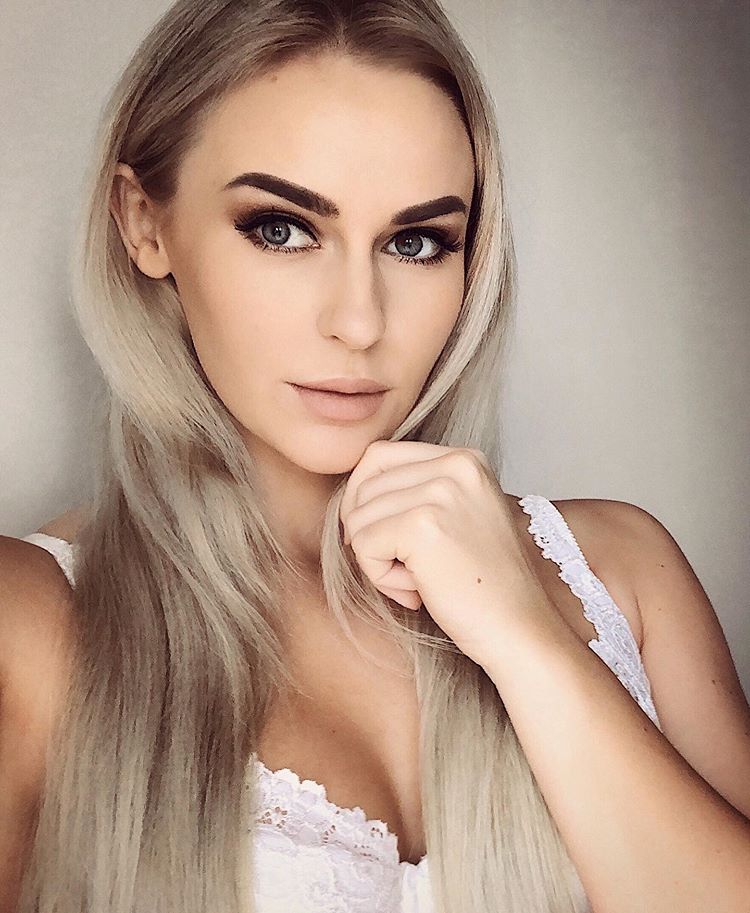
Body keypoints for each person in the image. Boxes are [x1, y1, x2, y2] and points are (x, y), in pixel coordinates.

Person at [3, 1, 750, 911]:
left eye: (415, 242)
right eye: (281, 228)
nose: (359, 321)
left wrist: (526, 636)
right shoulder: (29, 625)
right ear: (144, 224)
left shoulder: (621, 574)